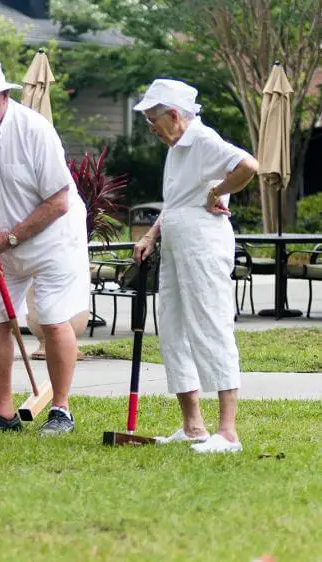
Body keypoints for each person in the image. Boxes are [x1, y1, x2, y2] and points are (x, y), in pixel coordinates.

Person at [0, 59, 90, 436]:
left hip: (55, 236)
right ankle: (4, 414)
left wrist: (7, 240)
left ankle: (61, 411)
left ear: (4, 95)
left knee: (54, 320)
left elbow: (58, 201)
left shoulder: (36, 130)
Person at [132, 78, 258, 454]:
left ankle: (228, 433)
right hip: (174, 240)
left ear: (174, 114)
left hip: (203, 243)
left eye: (154, 119)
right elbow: (174, 200)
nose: (151, 128)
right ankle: (193, 427)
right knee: (173, 328)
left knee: (210, 325)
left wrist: (217, 191)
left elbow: (248, 165)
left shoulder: (202, 139)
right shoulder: (176, 148)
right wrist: (151, 235)